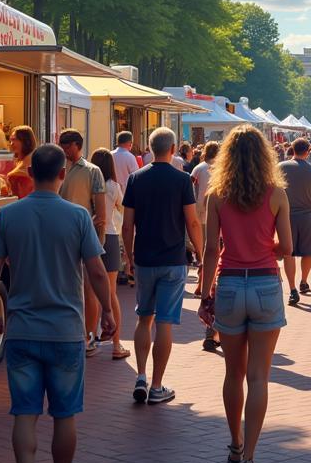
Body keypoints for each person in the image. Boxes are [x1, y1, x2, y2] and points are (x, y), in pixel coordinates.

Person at [0, 143, 115, 463]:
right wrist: (106, 310)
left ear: (30, 172)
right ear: (62, 174)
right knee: (64, 414)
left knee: (24, 413)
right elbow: (94, 268)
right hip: (66, 331)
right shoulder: (77, 217)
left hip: (21, 329)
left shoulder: (10, 215)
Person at [200, 126, 292, 463]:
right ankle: (250, 461)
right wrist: (264, 243)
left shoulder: (217, 196)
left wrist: (205, 291)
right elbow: (286, 247)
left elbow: (209, 249)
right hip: (266, 283)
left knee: (232, 373)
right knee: (259, 376)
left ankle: (235, 445)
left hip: (231, 283)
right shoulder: (277, 195)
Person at [122, 127, 203, 405]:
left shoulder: (135, 179)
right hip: (173, 259)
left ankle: (141, 376)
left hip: (145, 258)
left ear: (149, 148)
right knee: (165, 323)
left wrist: (130, 257)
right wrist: (201, 253)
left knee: (144, 318)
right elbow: (192, 221)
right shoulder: (181, 180)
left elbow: (127, 224)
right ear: (172, 150)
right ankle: (157, 386)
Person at [58, 129, 107, 356]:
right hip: (59, 238)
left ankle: (89, 336)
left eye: (67, 145)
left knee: (89, 289)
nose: (64, 149)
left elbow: (101, 211)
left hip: (83, 237)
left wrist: (96, 239)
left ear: (77, 145)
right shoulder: (58, 169)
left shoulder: (92, 171)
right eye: (62, 145)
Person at [89, 148, 130, 360]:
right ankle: (116, 344)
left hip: (91, 238)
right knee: (111, 293)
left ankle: (90, 339)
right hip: (111, 237)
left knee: (91, 293)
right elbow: (121, 207)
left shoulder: (89, 185)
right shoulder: (114, 186)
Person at [278, 139, 311, 306]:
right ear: (308, 151)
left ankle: (292, 289)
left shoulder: (280, 167)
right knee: (307, 252)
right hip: (307, 216)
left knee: (288, 254)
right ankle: (304, 281)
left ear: (292, 150)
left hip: (285, 217)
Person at [192, 142, 220, 347]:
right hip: (220, 216)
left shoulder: (198, 169)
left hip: (201, 214)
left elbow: (193, 191)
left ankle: (202, 284)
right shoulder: (222, 170)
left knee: (205, 251)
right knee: (214, 251)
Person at [6, 125, 37, 199]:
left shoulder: (32, 160)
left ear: (26, 141)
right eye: (11, 140)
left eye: (15, 140)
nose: (11, 143)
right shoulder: (18, 160)